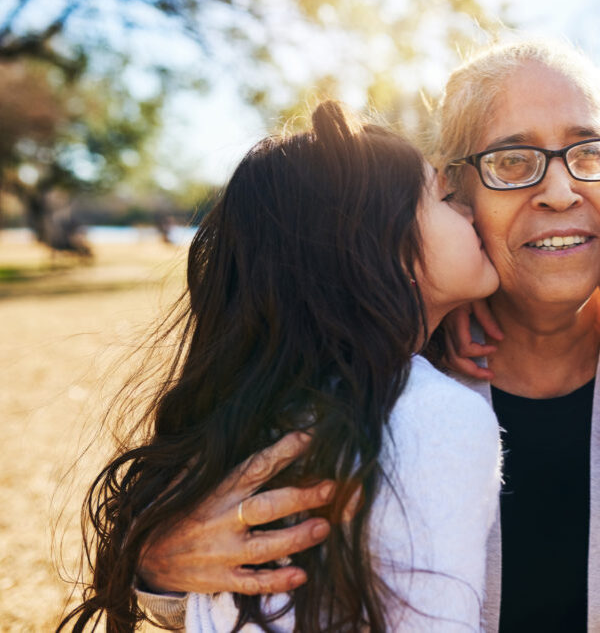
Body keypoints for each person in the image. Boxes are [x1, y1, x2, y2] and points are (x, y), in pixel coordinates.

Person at [134, 41, 600, 631]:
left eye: (588, 151)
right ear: (455, 196)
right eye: (512, 160)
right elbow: (254, 585)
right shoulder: (380, 368)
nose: (559, 189)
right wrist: (163, 564)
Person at [59, 100, 503, 631]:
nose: (472, 211)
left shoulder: (259, 411)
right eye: (448, 198)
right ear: (382, 250)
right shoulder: (438, 417)